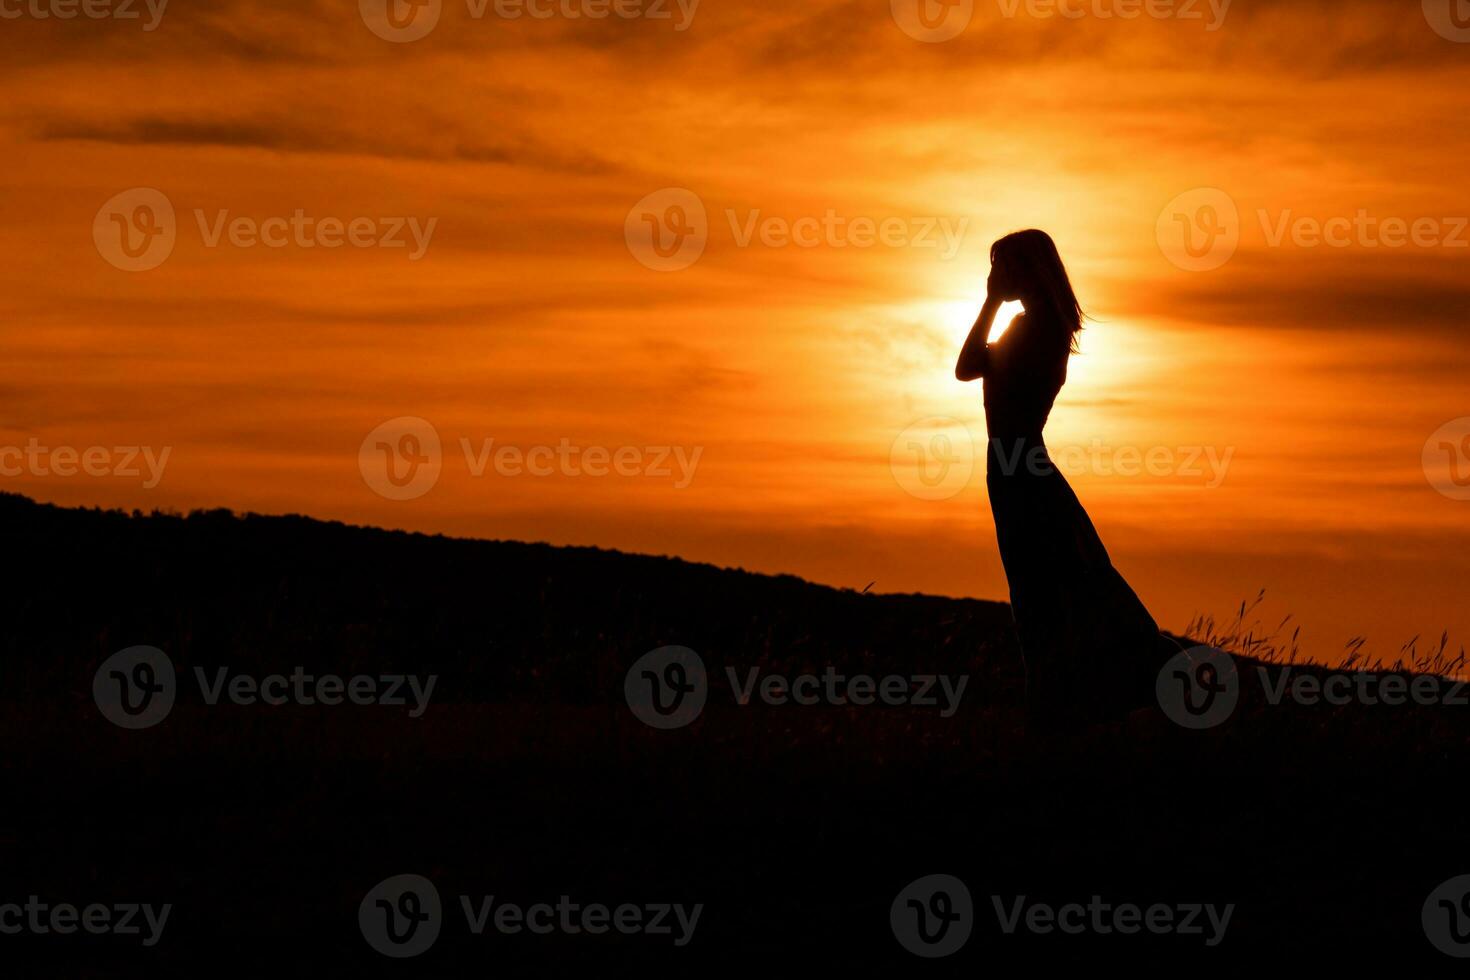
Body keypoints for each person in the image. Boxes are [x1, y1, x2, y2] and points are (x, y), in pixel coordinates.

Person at [955, 230, 1165, 728]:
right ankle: (1089, 697)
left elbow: (966, 368)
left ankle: (1056, 709)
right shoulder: (1038, 326)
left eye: (1001, 267)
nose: (995, 277)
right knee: (1070, 580)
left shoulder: (1034, 330)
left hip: (1016, 465)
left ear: (1023, 271)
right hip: (1023, 463)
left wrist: (988, 303)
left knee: (1040, 592)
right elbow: (970, 370)